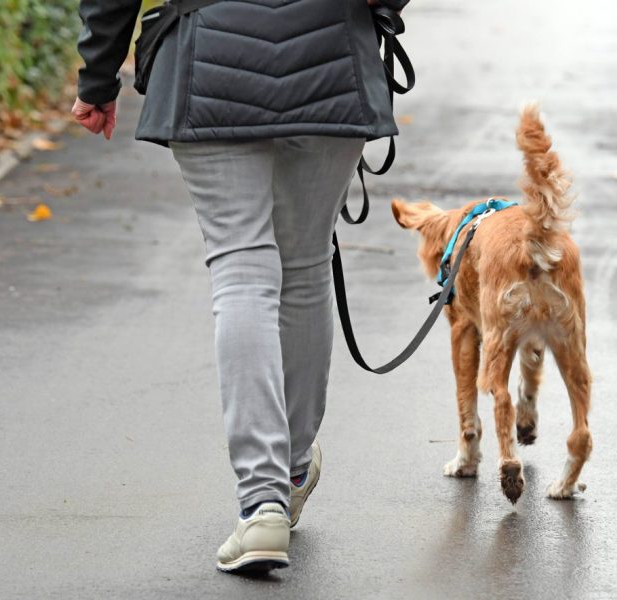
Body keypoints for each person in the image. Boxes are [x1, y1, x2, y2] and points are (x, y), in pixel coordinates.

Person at [73, 0, 404, 573]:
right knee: (303, 267)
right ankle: (293, 467)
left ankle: (262, 503)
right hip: (329, 53)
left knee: (241, 269)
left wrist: (99, 73)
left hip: (209, 59)